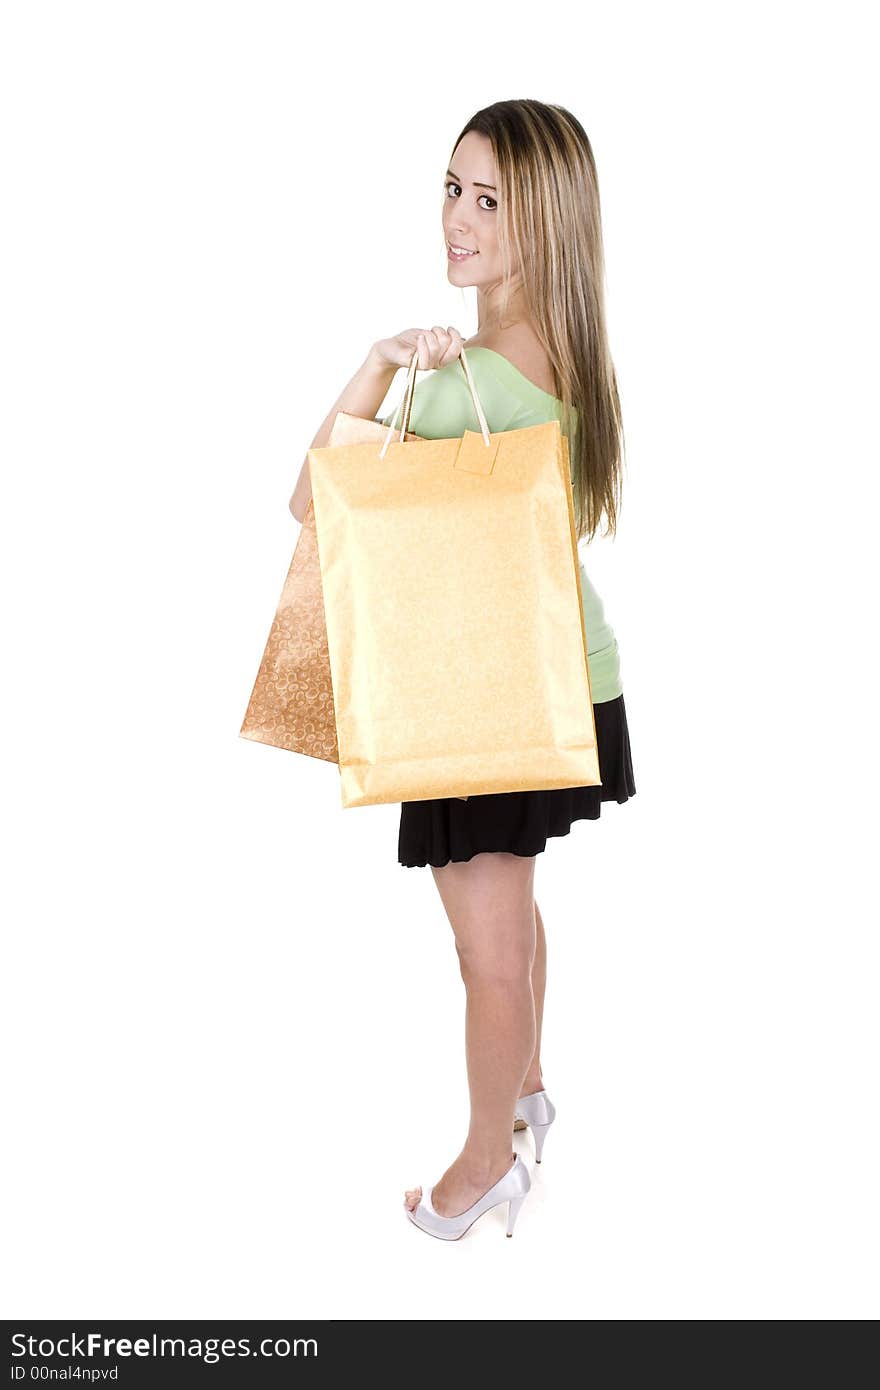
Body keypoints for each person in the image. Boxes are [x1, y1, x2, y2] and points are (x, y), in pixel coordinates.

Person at [288, 99, 636, 1241]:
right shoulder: (568, 354)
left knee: (483, 946)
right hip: (556, 673)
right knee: (517, 907)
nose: (457, 217)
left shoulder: (470, 377)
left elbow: (314, 504)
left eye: (489, 199)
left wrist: (380, 367)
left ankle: (488, 1159)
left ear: (544, 218)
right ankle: (526, 1087)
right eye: (451, 188)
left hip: (482, 690)